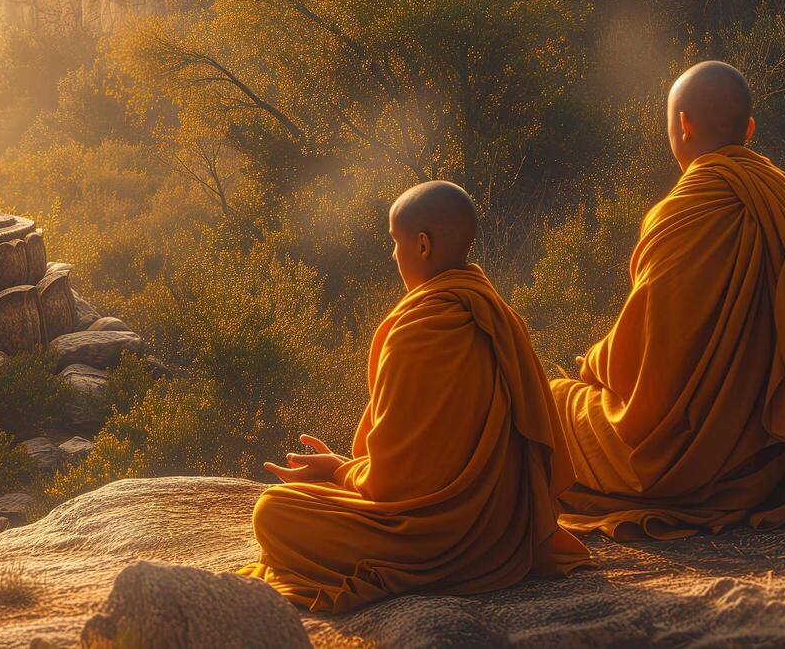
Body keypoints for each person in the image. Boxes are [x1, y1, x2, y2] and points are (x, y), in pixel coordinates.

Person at [239, 181, 590, 613]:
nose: (393, 257)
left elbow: (394, 484)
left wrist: (339, 472)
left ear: (422, 245)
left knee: (274, 511)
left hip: (431, 541)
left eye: (395, 243)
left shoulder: (419, 329)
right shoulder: (499, 315)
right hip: (501, 532)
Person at [550, 61, 785, 539]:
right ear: (749, 129)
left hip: (678, 463)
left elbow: (645, 360)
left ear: (682, 124)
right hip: (771, 462)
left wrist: (592, 361)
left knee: (554, 400)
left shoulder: (683, 210)